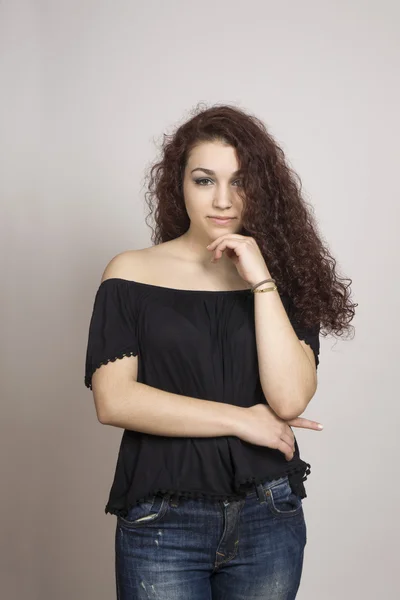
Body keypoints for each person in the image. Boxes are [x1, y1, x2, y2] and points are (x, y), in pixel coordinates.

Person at [84, 103, 356, 599]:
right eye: (205, 180)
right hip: (162, 520)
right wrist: (240, 419)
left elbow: (289, 400)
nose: (224, 200)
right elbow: (115, 401)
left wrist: (261, 280)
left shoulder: (282, 279)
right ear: (178, 184)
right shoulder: (130, 274)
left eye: (241, 181)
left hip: (268, 513)